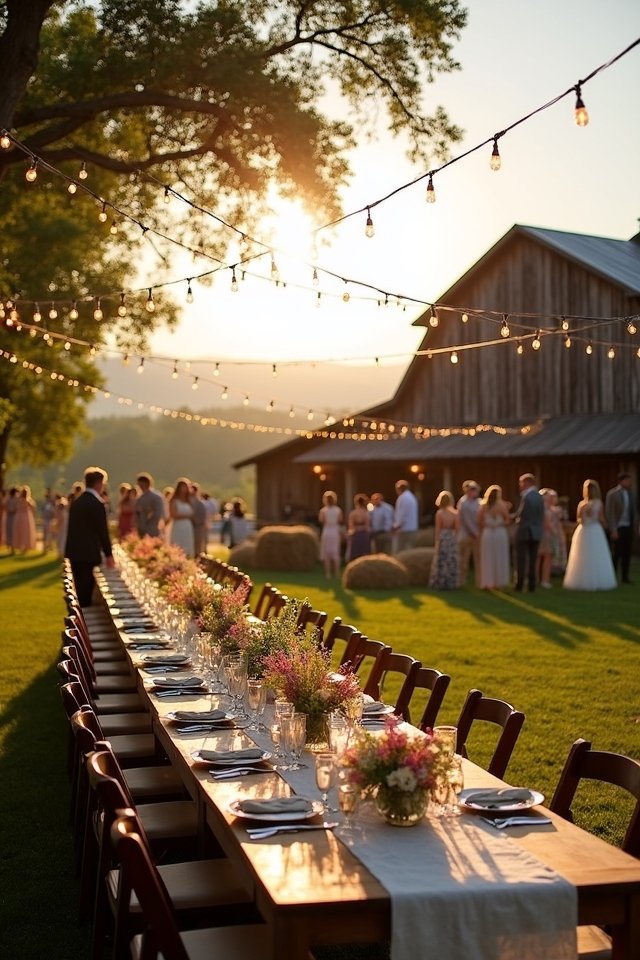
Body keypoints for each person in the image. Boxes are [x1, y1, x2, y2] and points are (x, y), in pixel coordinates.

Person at [64, 466, 114, 606]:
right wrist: (108, 554)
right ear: (99, 483)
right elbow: (102, 531)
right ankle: (84, 616)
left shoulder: (77, 503)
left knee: (79, 588)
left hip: (75, 551)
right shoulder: (97, 504)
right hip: (88, 552)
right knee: (85, 592)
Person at [564, 480, 617, 591]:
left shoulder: (582, 504)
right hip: (595, 530)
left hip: (583, 530)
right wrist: (606, 526)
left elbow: (580, 520)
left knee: (583, 555)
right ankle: (599, 579)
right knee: (597, 554)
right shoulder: (598, 503)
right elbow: (601, 518)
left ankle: (582, 580)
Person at [513, 473, 545, 592]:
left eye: (521, 483)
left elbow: (521, 514)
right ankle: (532, 585)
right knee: (532, 560)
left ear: (527, 483)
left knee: (521, 559)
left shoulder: (527, 496)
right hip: (536, 532)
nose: (520, 485)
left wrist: (513, 518)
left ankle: (519, 584)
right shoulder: (539, 496)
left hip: (524, 531)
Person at [478, 484, 511, 589]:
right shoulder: (502, 505)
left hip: (488, 532)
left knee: (487, 557)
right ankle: (500, 581)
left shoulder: (483, 505)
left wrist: (488, 524)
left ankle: (488, 582)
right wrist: (499, 524)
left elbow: (479, 521)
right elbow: (507, 520)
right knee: (500, 556)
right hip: (499, 532)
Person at [604, 472, 635, 584]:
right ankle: (613, 576)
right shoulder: (612, 494)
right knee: (616, 553)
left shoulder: (631, 494)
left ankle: (625, 577)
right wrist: (613, 529)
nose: (629, 483)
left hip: (628, 526)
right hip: (618, 526)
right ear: (621, 481)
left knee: (627, 552)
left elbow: (633, 511)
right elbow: (610, 512)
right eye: (627, 480)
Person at [428, 490, 459, 589]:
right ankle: (451, 582)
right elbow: (457, 529)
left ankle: (440, 582)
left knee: (441, 559)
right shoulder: (455, 514)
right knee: (450, 559)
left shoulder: (440, 513)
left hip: (443, 536)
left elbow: (438, 529)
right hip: (451, 537)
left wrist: (437, 541)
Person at [457, 480, 481, 586]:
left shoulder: (479, 502)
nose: (474, 492)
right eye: (472, 490)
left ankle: (479, 581)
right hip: (466, 534)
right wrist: (473, 532)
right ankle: (461, 581)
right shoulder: (463, 502)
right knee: (464, 559)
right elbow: (464, 520)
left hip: (478, 534)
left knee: (478, 559)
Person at [166, 478, 195, 557]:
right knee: (178, 545)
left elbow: (193, 513)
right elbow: (173, 514)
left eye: (185, 487)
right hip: (178, 525)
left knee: (187, 546)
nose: (184, 489)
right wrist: (186, 515)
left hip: (187, 526)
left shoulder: (188, 501)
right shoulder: (174, 501)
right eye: (182, 487)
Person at [318, 490, 343, 578]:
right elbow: (340, 520)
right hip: (335, 530)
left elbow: (321, 520)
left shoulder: (323, 511)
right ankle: (337, 572)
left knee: (326, 553)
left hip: (327, 531)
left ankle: (328, 573)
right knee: (335, 553)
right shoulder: (338, 510)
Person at [135, 472, 165, 538]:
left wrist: (151, 524)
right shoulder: (139, 497)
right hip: (141, 528)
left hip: (152, 528)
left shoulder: (156, 497)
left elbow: (158, 513)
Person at [393, 479, 419, 551]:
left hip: (404, 530)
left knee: (400, 551)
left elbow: (402, 514)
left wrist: (396, 526)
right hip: (412, 528)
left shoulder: (402, 498)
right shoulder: (412, 497)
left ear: (399, 489)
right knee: (410, 550)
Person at [347, 493, 371, 561]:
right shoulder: (366, 513)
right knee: (364, 554)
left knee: (355, 555)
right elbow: (367, 527)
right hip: (364, 535)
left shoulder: (353, 513)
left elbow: (351, 527)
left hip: (355, 535)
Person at [13, 485, 37, 552]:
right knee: (24, 531)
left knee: (22, 531)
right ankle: (23, 546)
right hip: (25, 517)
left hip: (19, 516)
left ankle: (21, 545)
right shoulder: (27, 501)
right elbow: (33, 507)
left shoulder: (20, 500)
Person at [190, 482, 208, 557]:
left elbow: (202, 517)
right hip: (190, 527)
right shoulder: (188, 502)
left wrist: (194, 519)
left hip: (197, 528)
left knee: (197, 548)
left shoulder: (200, 503)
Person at [41, 488, 56, 552]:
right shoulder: (46, 503)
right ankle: (45, 546)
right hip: (46, 519)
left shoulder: (51, 503)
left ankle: (49, 546)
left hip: (50, 520)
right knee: (46, 534)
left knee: (50, 534)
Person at [54, 494, 69, 558]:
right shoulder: (65, 513)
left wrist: (56, 526)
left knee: (61, 541)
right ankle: (61, 553)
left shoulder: (62, 514)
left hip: (61, 529)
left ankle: (61, 553)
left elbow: (59, 522)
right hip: (63, 529)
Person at [5, 487, 18, 553]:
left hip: (14, 516)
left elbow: (17, 507)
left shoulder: (16, 499)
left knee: (13, 531)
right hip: (9, 516)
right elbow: (5, 506)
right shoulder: (8, 499)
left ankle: (13, 546)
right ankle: (10, 546)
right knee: (9, 531)